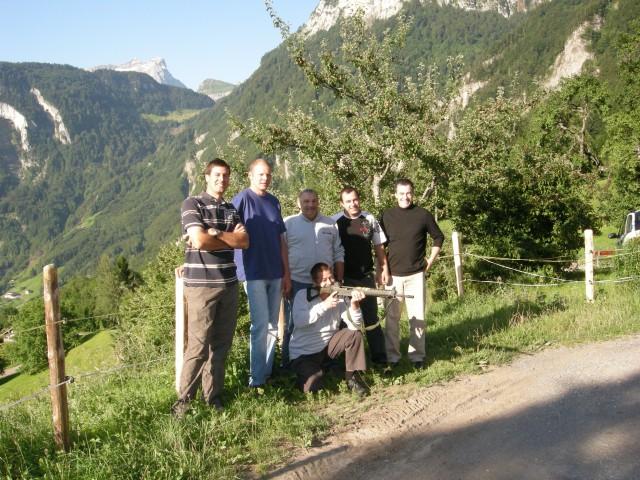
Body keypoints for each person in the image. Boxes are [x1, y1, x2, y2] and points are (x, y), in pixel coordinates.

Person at [172, 158, 249, 417]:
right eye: (217, 175)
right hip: (201, 287)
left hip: (229, 284)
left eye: (225, 175)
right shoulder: (192, 203)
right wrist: (227, 238)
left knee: (221, 345)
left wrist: (216, 234)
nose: (221, 179)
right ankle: (183, 403)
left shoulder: (231, 209)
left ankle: (213, 398)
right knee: (198, 345)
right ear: (206, 177)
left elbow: (244, 241)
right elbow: (199, 240)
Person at [231, 158, 291, 388]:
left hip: (275, 272)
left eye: (268, 174)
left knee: (273, 325)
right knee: (259, 326)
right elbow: (227, 231)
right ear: (250, 175)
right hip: (253, 272)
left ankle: (266, 374)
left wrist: (286, 272)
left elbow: (281, 240)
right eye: (260, 174)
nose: (265, 178)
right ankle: (255, 381)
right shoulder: (241, 200)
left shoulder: (274, 202)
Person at [380, 178, 444, 370]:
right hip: (392, 277)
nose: (405, 197)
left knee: (417, 318)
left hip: (416, 275)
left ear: (413, 193)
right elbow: (380, 246)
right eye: (401, 193)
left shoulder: (423, 215)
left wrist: (430, 261)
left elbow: (438, 237)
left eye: (408, 193)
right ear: (395, 195)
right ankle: (392, 358)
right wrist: (382, 269)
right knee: (391, 320)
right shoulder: (387, 216)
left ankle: (417, 357)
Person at [281, 189, 345, 371]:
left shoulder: (330, 224)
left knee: (330, 321)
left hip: (326, 283)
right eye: (306, 201)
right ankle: (288, 366)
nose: (310, 205)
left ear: (318, 202)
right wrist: (285, 279)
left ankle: (330, 362)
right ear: (298, 203)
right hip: (298, 282)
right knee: (293, 324)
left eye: (314, 201)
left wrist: (339, 279)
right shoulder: (288, 223)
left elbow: (338, 251)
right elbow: (281, 254)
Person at [332, 187, 390, 369]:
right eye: (348, 201)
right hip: (345, 280)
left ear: (359, 199)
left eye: (355, 200)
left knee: (372, 319)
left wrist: (383, 269)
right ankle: (347, 363)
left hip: (366, 278)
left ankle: (380, 360)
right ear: (342, 203)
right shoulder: (334, 222)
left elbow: (379, 246)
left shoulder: (369, 218)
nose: (353, 204)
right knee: (347, 321)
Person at [290, 262, 368, 395]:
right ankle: (304, 374)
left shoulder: (340, 295)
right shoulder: (303, 295)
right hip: (304, 354)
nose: (329, 282)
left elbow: (355, 325)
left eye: (331, 278)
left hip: (327, 349)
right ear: (314, 282)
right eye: (323, 280)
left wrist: (354, 305)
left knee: (354, 334)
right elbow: (299, 321)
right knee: (314, 388)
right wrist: (324, 306)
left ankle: (351, 379)